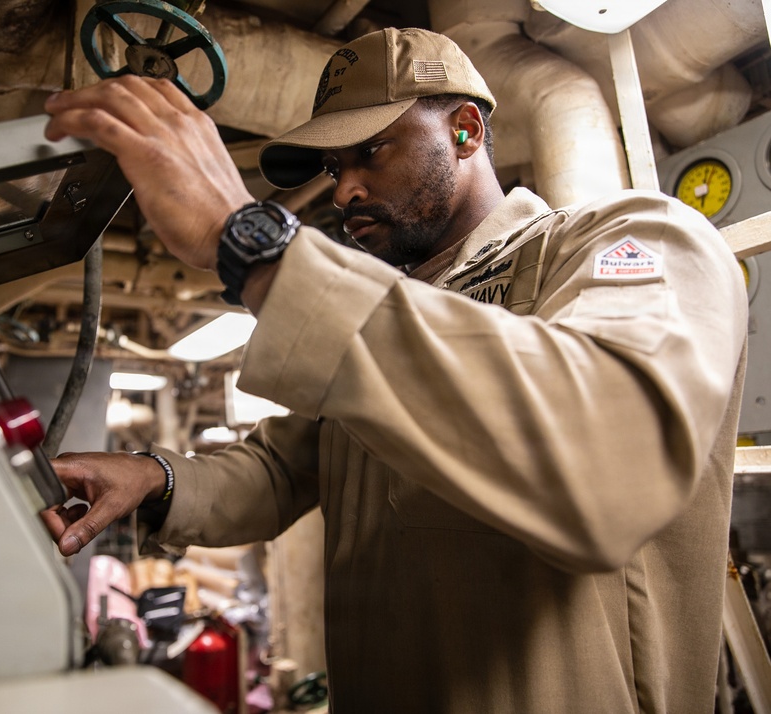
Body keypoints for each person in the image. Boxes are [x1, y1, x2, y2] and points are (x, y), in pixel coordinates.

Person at [40, 27, 748, 712]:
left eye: (371, 151)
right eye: (332, 168)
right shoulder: (386, 317)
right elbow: (288, 468)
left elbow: (610, 463)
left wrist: (253, 247)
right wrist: (156, 482)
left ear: (466, 131)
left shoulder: (633, 239)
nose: (345, 190)